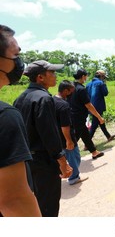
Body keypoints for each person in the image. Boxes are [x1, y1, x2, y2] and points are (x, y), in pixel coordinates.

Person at [13, 60, 73, 216]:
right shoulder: (44, 99)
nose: (55, 76)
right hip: (44, 162)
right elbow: (50, 135)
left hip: (27, 161)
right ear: (40, 77)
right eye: (52, 73)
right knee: (48, 206)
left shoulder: (20, 98)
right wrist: (62, 162)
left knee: (36, 203)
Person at [0, 24, 41, 217]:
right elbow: (13, 200)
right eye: (16, 55)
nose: (19, 62)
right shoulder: (5, 116)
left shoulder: (18, 100)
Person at [54, 80, 88, 185]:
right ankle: (74, 177)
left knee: (66, 157)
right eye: (71, 92)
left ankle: (65, 173)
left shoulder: (52, 100)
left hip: (57, 135)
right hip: (66, 136)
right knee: (74, 157)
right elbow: (65, 126)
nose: (72, 94)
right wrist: (69, 140)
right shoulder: (64, 105)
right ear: (65, 91)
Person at [69, 69, 105, 160]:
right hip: (78, 117)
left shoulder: (71, 86)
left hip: (71, 115)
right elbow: (88, 105)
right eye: (86, 76)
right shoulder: (81, 89)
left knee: (85, 134)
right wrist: (99, 117)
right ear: (83, 77)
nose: (86, 78)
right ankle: (63, 160)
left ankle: (94, 152)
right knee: (73, 139)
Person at [86, 70, 115, 142]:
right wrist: (104, 84)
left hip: (90, 106)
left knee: (100, 121)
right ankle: (87, 143)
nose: (104, 79)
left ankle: (108, 136)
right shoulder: (100, 83)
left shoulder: (88, 84)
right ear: (101, 76)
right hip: (98, 106)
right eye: (104, 77)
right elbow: (105, 93)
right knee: (95, 124)